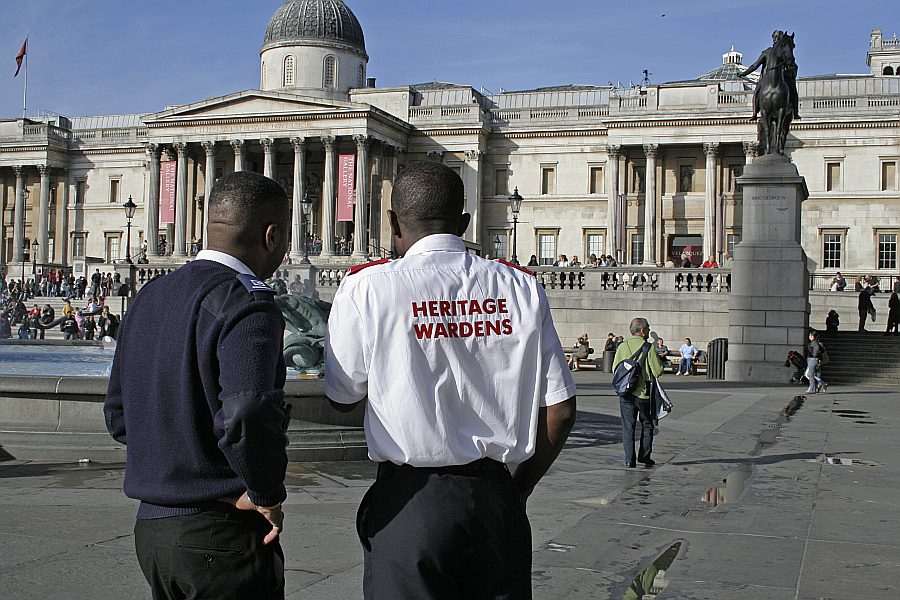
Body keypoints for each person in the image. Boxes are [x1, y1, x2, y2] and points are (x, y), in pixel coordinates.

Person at [324, 161, 577, 599]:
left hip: (410, 502)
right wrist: (519, 488)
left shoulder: (367, 288)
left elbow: (342, 398)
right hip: (496, 498)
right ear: (464, 223)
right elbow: (561, 409)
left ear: (392, 222)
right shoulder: (520, 288)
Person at [104, 171, 293, 599]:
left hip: (152, 530)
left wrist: (172, 468)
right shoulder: (247, 302)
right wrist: (264, 491)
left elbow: (118, 415)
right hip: (219, 534)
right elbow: (247, 410)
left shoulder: (149, 295)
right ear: (272, 235)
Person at [612, 317, 663, 468]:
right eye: (648, 329)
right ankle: (645, 456)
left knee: (628, 426)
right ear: (642, 331)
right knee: (647, 424)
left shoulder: (622, 346)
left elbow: (615, 368)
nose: (648, 331)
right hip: (644, 393)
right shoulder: (648, 347)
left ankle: (629, 459)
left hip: (625, 393)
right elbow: (658, 371)